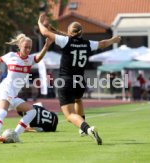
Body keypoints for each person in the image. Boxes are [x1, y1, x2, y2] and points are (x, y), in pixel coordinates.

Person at [38, 13, 121, 145]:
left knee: (70, 115)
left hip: (66, 80)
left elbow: (45, 33)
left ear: (69, 32)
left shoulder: (66, 41)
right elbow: (103, 43)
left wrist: (39, 22)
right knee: (78, 99)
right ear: (81, 32)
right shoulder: (88, 43)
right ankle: (82, 130)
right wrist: (113, 40)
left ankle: (87, 129)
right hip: (80, 81)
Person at [0, 33, 53, 143]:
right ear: (19, 46)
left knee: (32, 111)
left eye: (30, 48)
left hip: (13, 94)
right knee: (3, 111)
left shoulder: (30, 59)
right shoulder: (11, 56)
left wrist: (46, 46)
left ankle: (15, 135)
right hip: (5, 89)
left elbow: (39, 57)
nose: (28, 50)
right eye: (25, 47)